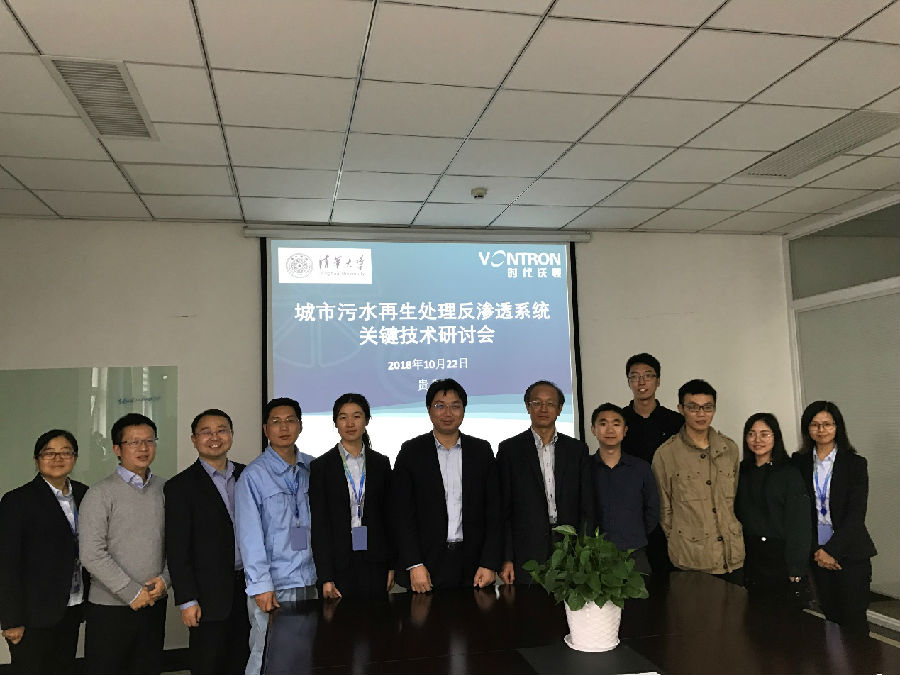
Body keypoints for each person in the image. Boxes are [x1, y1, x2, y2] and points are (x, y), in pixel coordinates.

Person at [79, 412, 169, 675]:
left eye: (149, 441)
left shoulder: (167, 489)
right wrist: (131, 592)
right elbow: (91, 553)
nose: (143, 448)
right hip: (110, 609)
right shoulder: (100, 493)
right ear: (117, 449)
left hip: (154, 602)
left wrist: (166, 580)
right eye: (133, 442)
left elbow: (177, 545)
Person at [391, 378, 501, 592]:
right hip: (425, 565)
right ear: (429, 410)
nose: (448, 413)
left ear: (464, 410)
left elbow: (494, 511)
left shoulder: (481, 451)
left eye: (455, 406)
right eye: (440, 406)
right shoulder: (411, 452)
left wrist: (489, 562)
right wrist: (414, 563)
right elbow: (401, 514)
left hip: (473, 565)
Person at [235, 397, 317, 675]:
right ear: (265, 429)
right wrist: (261, 585)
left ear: (300, 426)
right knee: (267, 654)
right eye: (276, 422)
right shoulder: (253, 476)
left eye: (290, 421)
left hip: (309, 579)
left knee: (304, 654)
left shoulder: (313, 468)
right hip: (274, 584)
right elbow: (249, 536)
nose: (284, 428)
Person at [164, 409, 249, 674]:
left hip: (249, 588)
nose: (214, 437)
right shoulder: (180, 486)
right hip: (208, 596)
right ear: (194, 439)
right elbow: (177, 549)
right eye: (206, 432)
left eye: (221, 430)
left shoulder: (248, 475)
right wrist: (187, 600)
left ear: (231, 435)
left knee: (244, 661)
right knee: (208, 664)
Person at [0, 430, 89, 675]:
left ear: (75, 457)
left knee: (63, 668)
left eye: (65, 452)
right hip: (33, 614)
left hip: (73, 605)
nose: (58, 458)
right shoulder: (17, 501)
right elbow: (6, 563)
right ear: (37, 459)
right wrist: (11, 619)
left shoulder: (84, 494)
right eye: (49, 453)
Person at [497, 380, 593, 585]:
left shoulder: (577, 450)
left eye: (550, 404)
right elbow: (503, 509)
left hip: (569, 546)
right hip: (526, 549)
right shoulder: (510, 450)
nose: (543, 409)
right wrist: (506, 558)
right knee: (528, 604)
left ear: (559, 409)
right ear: (527, 407)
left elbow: (587, 505)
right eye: (537, 403)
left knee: (569, 603)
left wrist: (584, 549)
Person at [792, 401, 876, 633]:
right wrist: (817, 551)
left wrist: (831, 550)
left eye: (827, 424)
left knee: (854, 620)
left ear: (838, 427)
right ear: (807, 428)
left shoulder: (855, 464)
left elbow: (856, 514)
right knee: (830, 615)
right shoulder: (798, 463)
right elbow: (798, 514)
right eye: (815, 424)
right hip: (816, 552)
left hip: (850, 551)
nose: (821, 430)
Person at [651, 379, 744, 583]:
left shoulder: (729, 448)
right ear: (681, 409)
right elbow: (664, 510)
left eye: (707, 407)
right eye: (693, 407)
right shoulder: (666, 454)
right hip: (690, 558)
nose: (701, 414)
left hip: (732, 555)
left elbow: (735, 498)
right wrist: (681, 538)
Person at [310, 393, 394, 600]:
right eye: (343, 417)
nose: (350, 423)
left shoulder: (381, 463)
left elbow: (390, 518)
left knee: (377, 618)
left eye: (356, 416)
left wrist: (392, 565)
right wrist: (325, 576)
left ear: (367, 420)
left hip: (376, 562)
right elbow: (320, 525)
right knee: (339, 620)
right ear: (335, 423)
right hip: (338, 564)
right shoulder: (321, 466)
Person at [735, 413, 811, 601]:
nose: (757, 440)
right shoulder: (741, 472)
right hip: (748, 556)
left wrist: (796, 568)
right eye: (751, 434)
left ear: (775, 437)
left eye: (764, 434)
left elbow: (799, 524)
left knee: (782, 615)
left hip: (780, 557)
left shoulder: (789, 473)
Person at [621, 353, 683, 575]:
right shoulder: (619, 421)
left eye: (648, 375)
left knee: (671, 576)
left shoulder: (675, 422)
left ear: (658, 381)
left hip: (670, 508)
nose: (641, 382)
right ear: (628, 382)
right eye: (634, 376)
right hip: (631, 510)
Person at [590, 403, 659, 574]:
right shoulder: (584, 468)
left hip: (634, 553)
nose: (610, 430)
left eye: (616, 424)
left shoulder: (641, 468)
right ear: (593, 430)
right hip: (594, 554)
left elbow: (652, 509)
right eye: (603, 423)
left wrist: (634, 534)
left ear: (625, 430)